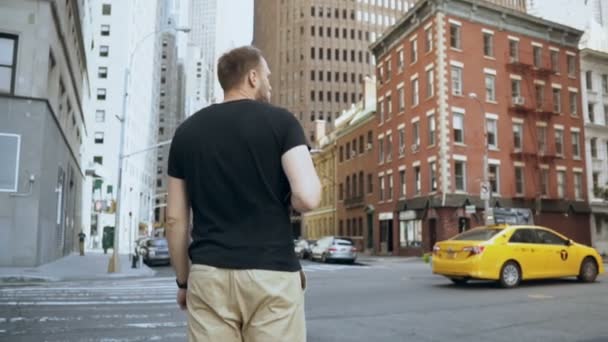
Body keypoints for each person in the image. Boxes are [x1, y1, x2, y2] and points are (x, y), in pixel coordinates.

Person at [166, 45, 321, 342]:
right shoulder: (282, 123)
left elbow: (174, 220)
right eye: (267, 76)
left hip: (209, 275)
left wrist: (184, 282)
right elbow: (307, 198)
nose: (270, 84)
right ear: (252, 77)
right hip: (271, 274)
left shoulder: (186, 133)